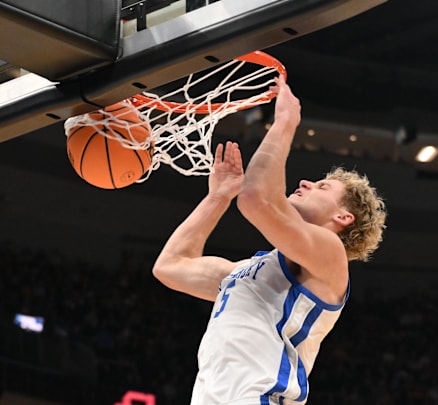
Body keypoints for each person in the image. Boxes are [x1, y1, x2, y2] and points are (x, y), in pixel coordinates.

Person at [152, 76, 386, 405]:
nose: (306, 182)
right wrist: (218, 197)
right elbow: (170, 266)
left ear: (343, 218)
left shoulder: (330, 257)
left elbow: (256, 198)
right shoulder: (246, 271)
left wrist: (286, 122)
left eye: (322, 187)